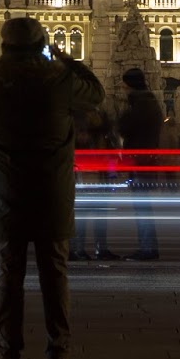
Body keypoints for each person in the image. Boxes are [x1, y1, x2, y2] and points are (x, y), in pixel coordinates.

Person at [0, 16, 104, 359]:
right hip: (52, 194)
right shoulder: (60, 80)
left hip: (7, 194)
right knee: (55, 275)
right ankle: (59, 356)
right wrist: (62, 57)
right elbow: (96, 92)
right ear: (42, 44)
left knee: (8, 276)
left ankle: (8, 357)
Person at [116, 67, 163, 261]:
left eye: (125, 86)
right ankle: (148, 246)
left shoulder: (140, 104)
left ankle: (148, 248)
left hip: (140, 161)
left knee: (142, 206)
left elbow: (124, 127)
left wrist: (122, 113)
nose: (123, 90)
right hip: (145, 159)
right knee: (143, 206)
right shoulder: (150, 102)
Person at [69, 106, 118, 261]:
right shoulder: (83, 127)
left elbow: (110, 153)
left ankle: (92, 248)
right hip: (84, 176)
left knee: (97, 214)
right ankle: (81, 249)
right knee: (85, 216)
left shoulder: (99, 132)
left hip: (94, 176)